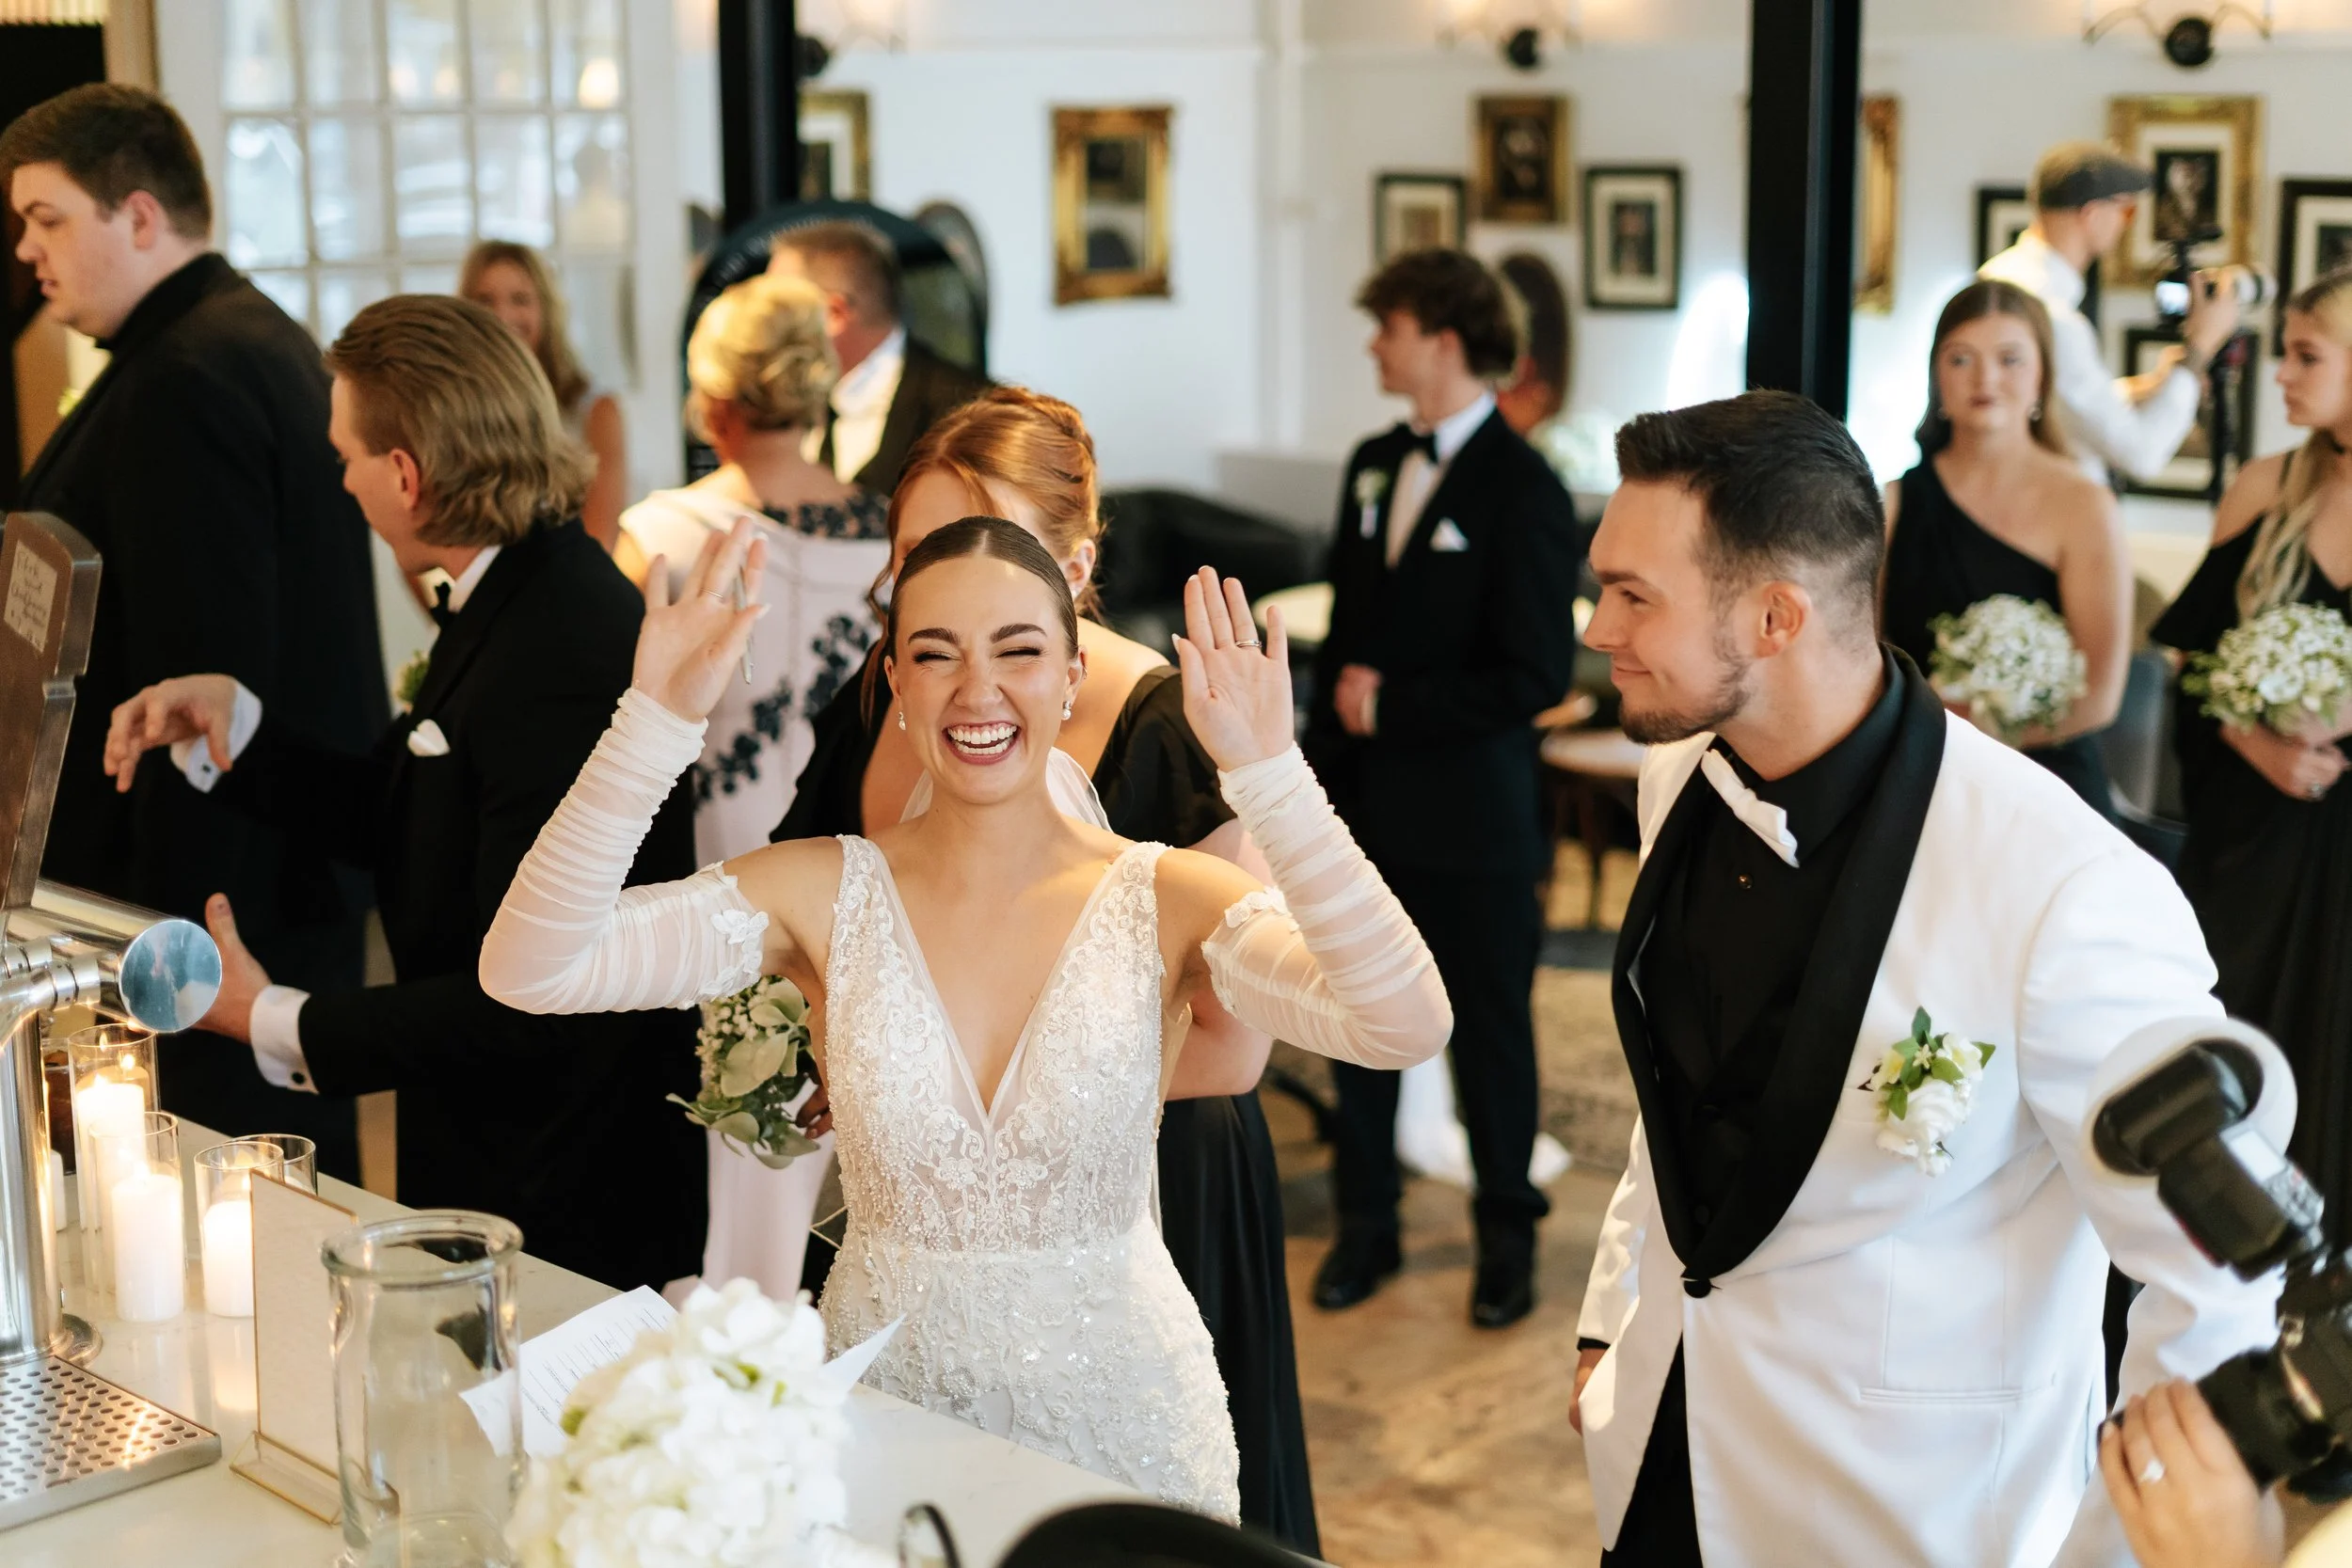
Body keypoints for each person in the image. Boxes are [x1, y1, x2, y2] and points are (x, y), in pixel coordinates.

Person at [474, 522, 1453, 1518]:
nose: (976, 689)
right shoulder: (821, 890)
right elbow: (531, 967)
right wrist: (654, 722)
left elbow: (1404, 1023)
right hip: (891, 1420)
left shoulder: (1168, 897)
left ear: (1074, 671)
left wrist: (1270, 770)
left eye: (1018, 650)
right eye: (935, 654)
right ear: (895, 681)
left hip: (1127, 1425)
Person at [1568, 389, 2280, 1568]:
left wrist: (2100, 1551)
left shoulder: (2067, 888)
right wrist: (1612, 1312)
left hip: (1913, 1515)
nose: (1599, 627)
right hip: (1660, 1445)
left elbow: (2212, 1282)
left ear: (1775, 617)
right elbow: (1674, 1098)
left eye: (1633, 594)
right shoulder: (1678, 774)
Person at [775, 387, 1321, 1551]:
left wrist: (955, 1093)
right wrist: (872, 1057)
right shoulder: (882, 692)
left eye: (1002, 545)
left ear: (1074, 564)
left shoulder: (1176, 726)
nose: (954, 576)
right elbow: (806, 911)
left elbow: (1232, 1045)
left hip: (1138, 1196)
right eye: (917, 548)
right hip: (916, 1232)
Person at [100, 295, 705, 1291]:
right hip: (508, 1153)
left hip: (569, 1186)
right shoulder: (511, 593)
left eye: (348, 455)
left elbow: (528, 992)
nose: (340, 478)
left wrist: (272, 1016)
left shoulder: (559, 637)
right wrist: (234, 727)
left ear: (408, 474)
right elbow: (402, 808)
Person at [3, 84, 385, 1179]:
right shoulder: (236, 336)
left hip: (211, 910)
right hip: (262, 884)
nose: (27, 248)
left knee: (235, 1200)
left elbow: (205, 671)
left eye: (47, 216)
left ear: (137, 215)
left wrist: (160, 951)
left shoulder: (186, 376)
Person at [1305, 247, 1581, 1330]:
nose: (1375, 343)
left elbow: (1535, 675)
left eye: (1391, 325)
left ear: (1445, 341)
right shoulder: (1372, 461)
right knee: (1353, 1023)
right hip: (1362, 812)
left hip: (1474, 820)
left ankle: (1504, 1237)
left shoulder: (1525, 487)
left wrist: (1397, 706)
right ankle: (1363, 1225)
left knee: (1492, 1039)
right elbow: (1347, 625)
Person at [615, 271, 888, 1302]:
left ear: (715, 397)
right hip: (860, 863)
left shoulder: (664, 533)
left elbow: (625, 714)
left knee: (748, 1148)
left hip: (720, 865)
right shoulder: (890, 534)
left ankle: (753, 1327)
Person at [2150, 269, 2352, 1242]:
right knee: (2225, 1077)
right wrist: (2252, 737)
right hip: (2252, 846)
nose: (2279, 373)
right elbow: (2187, 665)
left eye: (2306, 354)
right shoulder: (2266, 487)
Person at [1881, 278, 2130, 815]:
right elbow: (1864, 658)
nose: (1985, 378)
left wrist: (1981, 741)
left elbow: (2100, 695)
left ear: (2042, 377)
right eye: (1961, 359)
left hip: (2048, 788)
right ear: (1936, 377)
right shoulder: (1893, 504)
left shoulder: (2086, 505)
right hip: (1923, 778)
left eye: (2010, 358)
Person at [1981, 140, 2241, 487]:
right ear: (2091, 214)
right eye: (2127, 210)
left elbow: (2050, 404)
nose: (2126, 225)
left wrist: (2147, 388)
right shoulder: (2053, 316)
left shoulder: (1996, 278)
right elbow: (2142, 454)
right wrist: (2200, 348)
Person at [767, 220, 989, 496]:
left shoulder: (970, 411)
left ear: (834, 314)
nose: (763, 323)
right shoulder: (776, 400)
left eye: (777, 308)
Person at [461, 240, 628, 550]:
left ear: (546, 308)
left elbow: (600, 539)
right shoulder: (453, 411)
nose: (503, 316)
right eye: (485, 301)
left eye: (520, 299)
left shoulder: (595, 410)